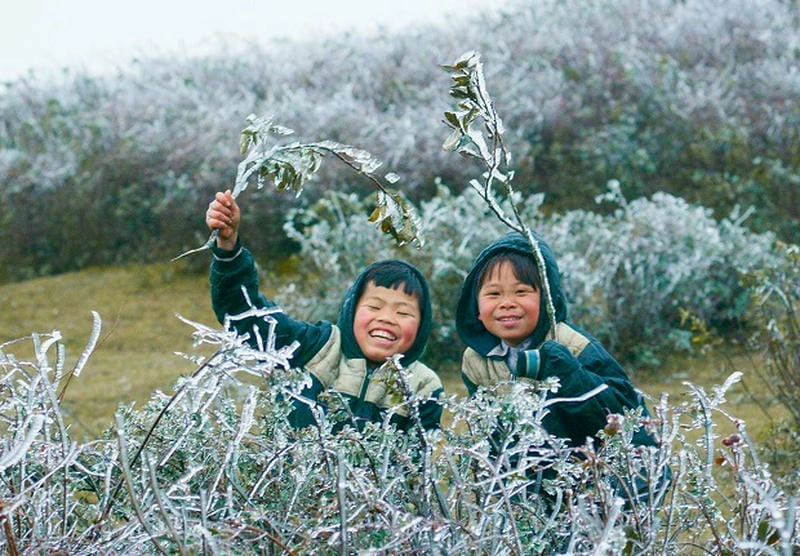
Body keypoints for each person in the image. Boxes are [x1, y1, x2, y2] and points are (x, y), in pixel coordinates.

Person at [205, 189, 443, 432]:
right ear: (351, 310)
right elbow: (245, 316)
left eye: (403, 313)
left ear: (422, 326)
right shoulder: (314, 347)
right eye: (374, 306)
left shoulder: (423, 386)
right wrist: (228, 249)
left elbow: (414, 465)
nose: (386, 318)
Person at [455, 230, 659, 451]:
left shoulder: (575, 346)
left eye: (521, 292)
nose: (507, 303)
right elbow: (486, 432)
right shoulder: (476, 359)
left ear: (547, 299)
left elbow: (624, 415)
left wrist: (567, 372)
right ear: (475, 307)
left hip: (584, 466)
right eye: (494, 294)